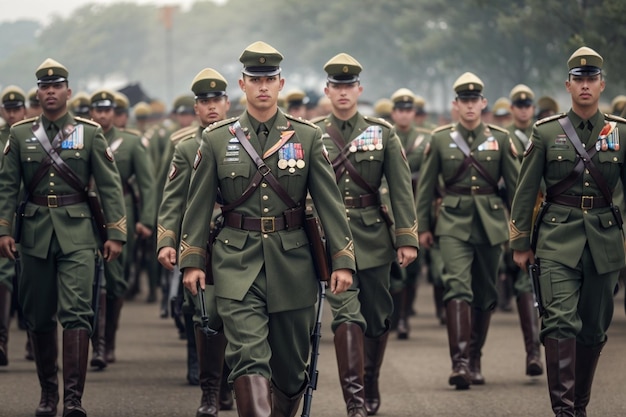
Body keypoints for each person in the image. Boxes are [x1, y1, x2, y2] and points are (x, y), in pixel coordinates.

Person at [179, 41, 356, 417]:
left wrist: (342, 259)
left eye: (270, 79)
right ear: (242, 84)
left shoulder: (307, 137)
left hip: (293, 263)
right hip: (235, 261)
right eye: (255, 79)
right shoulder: (216, 139)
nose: (263, 85)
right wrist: (192, 259)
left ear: (281, 83)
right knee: (247, 357)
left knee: (291, 372)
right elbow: (197, 206)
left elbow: (329, 203)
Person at [0, 58, 126, 417]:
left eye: (57, 86)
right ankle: (47, 395)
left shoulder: (89, 133)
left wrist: (115, 233)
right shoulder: (21, 134)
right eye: (44, 86)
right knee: (38, 317)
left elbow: (109, 186)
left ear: (68, 92)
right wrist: (3, 230)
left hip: (79, 234)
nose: (50, 91)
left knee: (76, 314)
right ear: (38, 93)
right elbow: (8, 187)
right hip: (36, 233)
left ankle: (73, 400)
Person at [510, 46, 626, 417]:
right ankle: (563, 411)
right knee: (559, 321)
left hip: (605, 241)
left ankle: (578, 405)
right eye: (580, 80)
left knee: (592, 329)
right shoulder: (546, 133)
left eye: (592, 79)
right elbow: (526, 191)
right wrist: (520, 243)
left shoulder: (620, 134)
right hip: (557, 239)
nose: (586, 85)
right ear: (568, 85)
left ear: (602, 84)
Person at [314, 53, 418, 417]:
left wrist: (406, 236)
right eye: (336, 86)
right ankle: (355, 400)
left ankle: (370, 380)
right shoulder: (311, 133)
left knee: (376, 317)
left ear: (360, 89)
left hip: (373, 234)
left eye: (349, 86)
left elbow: (400, 187)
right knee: (346, 315)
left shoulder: (382, 132)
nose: (343, 92)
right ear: (327, 90)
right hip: (330, 237)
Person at [416, 72, 519, 390]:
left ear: (483, 103)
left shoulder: (501, 139)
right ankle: (459, 362)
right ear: (456, 105)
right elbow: (426, 186)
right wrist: (423, 227)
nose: (470, 105)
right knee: (457, 286)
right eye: (464, 100)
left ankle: (475, 358)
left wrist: (521, 232)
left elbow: (517, 190)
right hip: (453, 222)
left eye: (475, 100)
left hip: (490, 223)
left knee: (485, 292)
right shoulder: (440, 138)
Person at [157, 67, 233, 417]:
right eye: (205, 101)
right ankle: (209, 391)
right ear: (196, 108)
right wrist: (167, 240)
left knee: (235, 311)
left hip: (236, 237)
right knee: (203, 312)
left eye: (217, 99)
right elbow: (173, 199)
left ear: (227, 103)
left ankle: (230, 380)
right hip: (199, 239)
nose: (212, 106)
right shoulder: (185, 147)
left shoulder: (242, 138)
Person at [88, 89, 155, 368]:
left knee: (115, 279)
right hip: (86, 212)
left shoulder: (130, 142)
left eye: (108, 110)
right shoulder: (80, 137)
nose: (103, 115)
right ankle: (98, 346)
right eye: (98, 110)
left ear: (115, 113)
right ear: (91, 112)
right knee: (88, 279)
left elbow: (148, 183)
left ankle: (109, 339)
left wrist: (146, 220)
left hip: (121, 213)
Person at [501, 83, 544, 377]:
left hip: (549, 216)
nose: (524, 109)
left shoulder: (547, 133)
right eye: (519, 104)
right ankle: (533, 352)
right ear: (513, 108)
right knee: (524, 282)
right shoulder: (504, 139)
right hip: (515, 218)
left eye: (529, 104)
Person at [387, 87, 431, 339]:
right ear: (393, 113)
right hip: (388, 208)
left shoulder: (425, 139)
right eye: (399, 110)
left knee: (412, 266)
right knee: (393, 266)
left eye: (408, 110)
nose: (404, 115)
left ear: (413, 113)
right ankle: (396, 317)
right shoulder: (381, 136)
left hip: (415, 204)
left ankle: (405, 315)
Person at [0, 85, 27, 367]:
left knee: (34, 279)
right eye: (7, 109)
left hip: (33, 215)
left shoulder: (35, 137)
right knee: (4, 275)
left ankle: (34, 336)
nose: (11, 114)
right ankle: (2, 339)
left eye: (16, 108)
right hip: (5, 215)